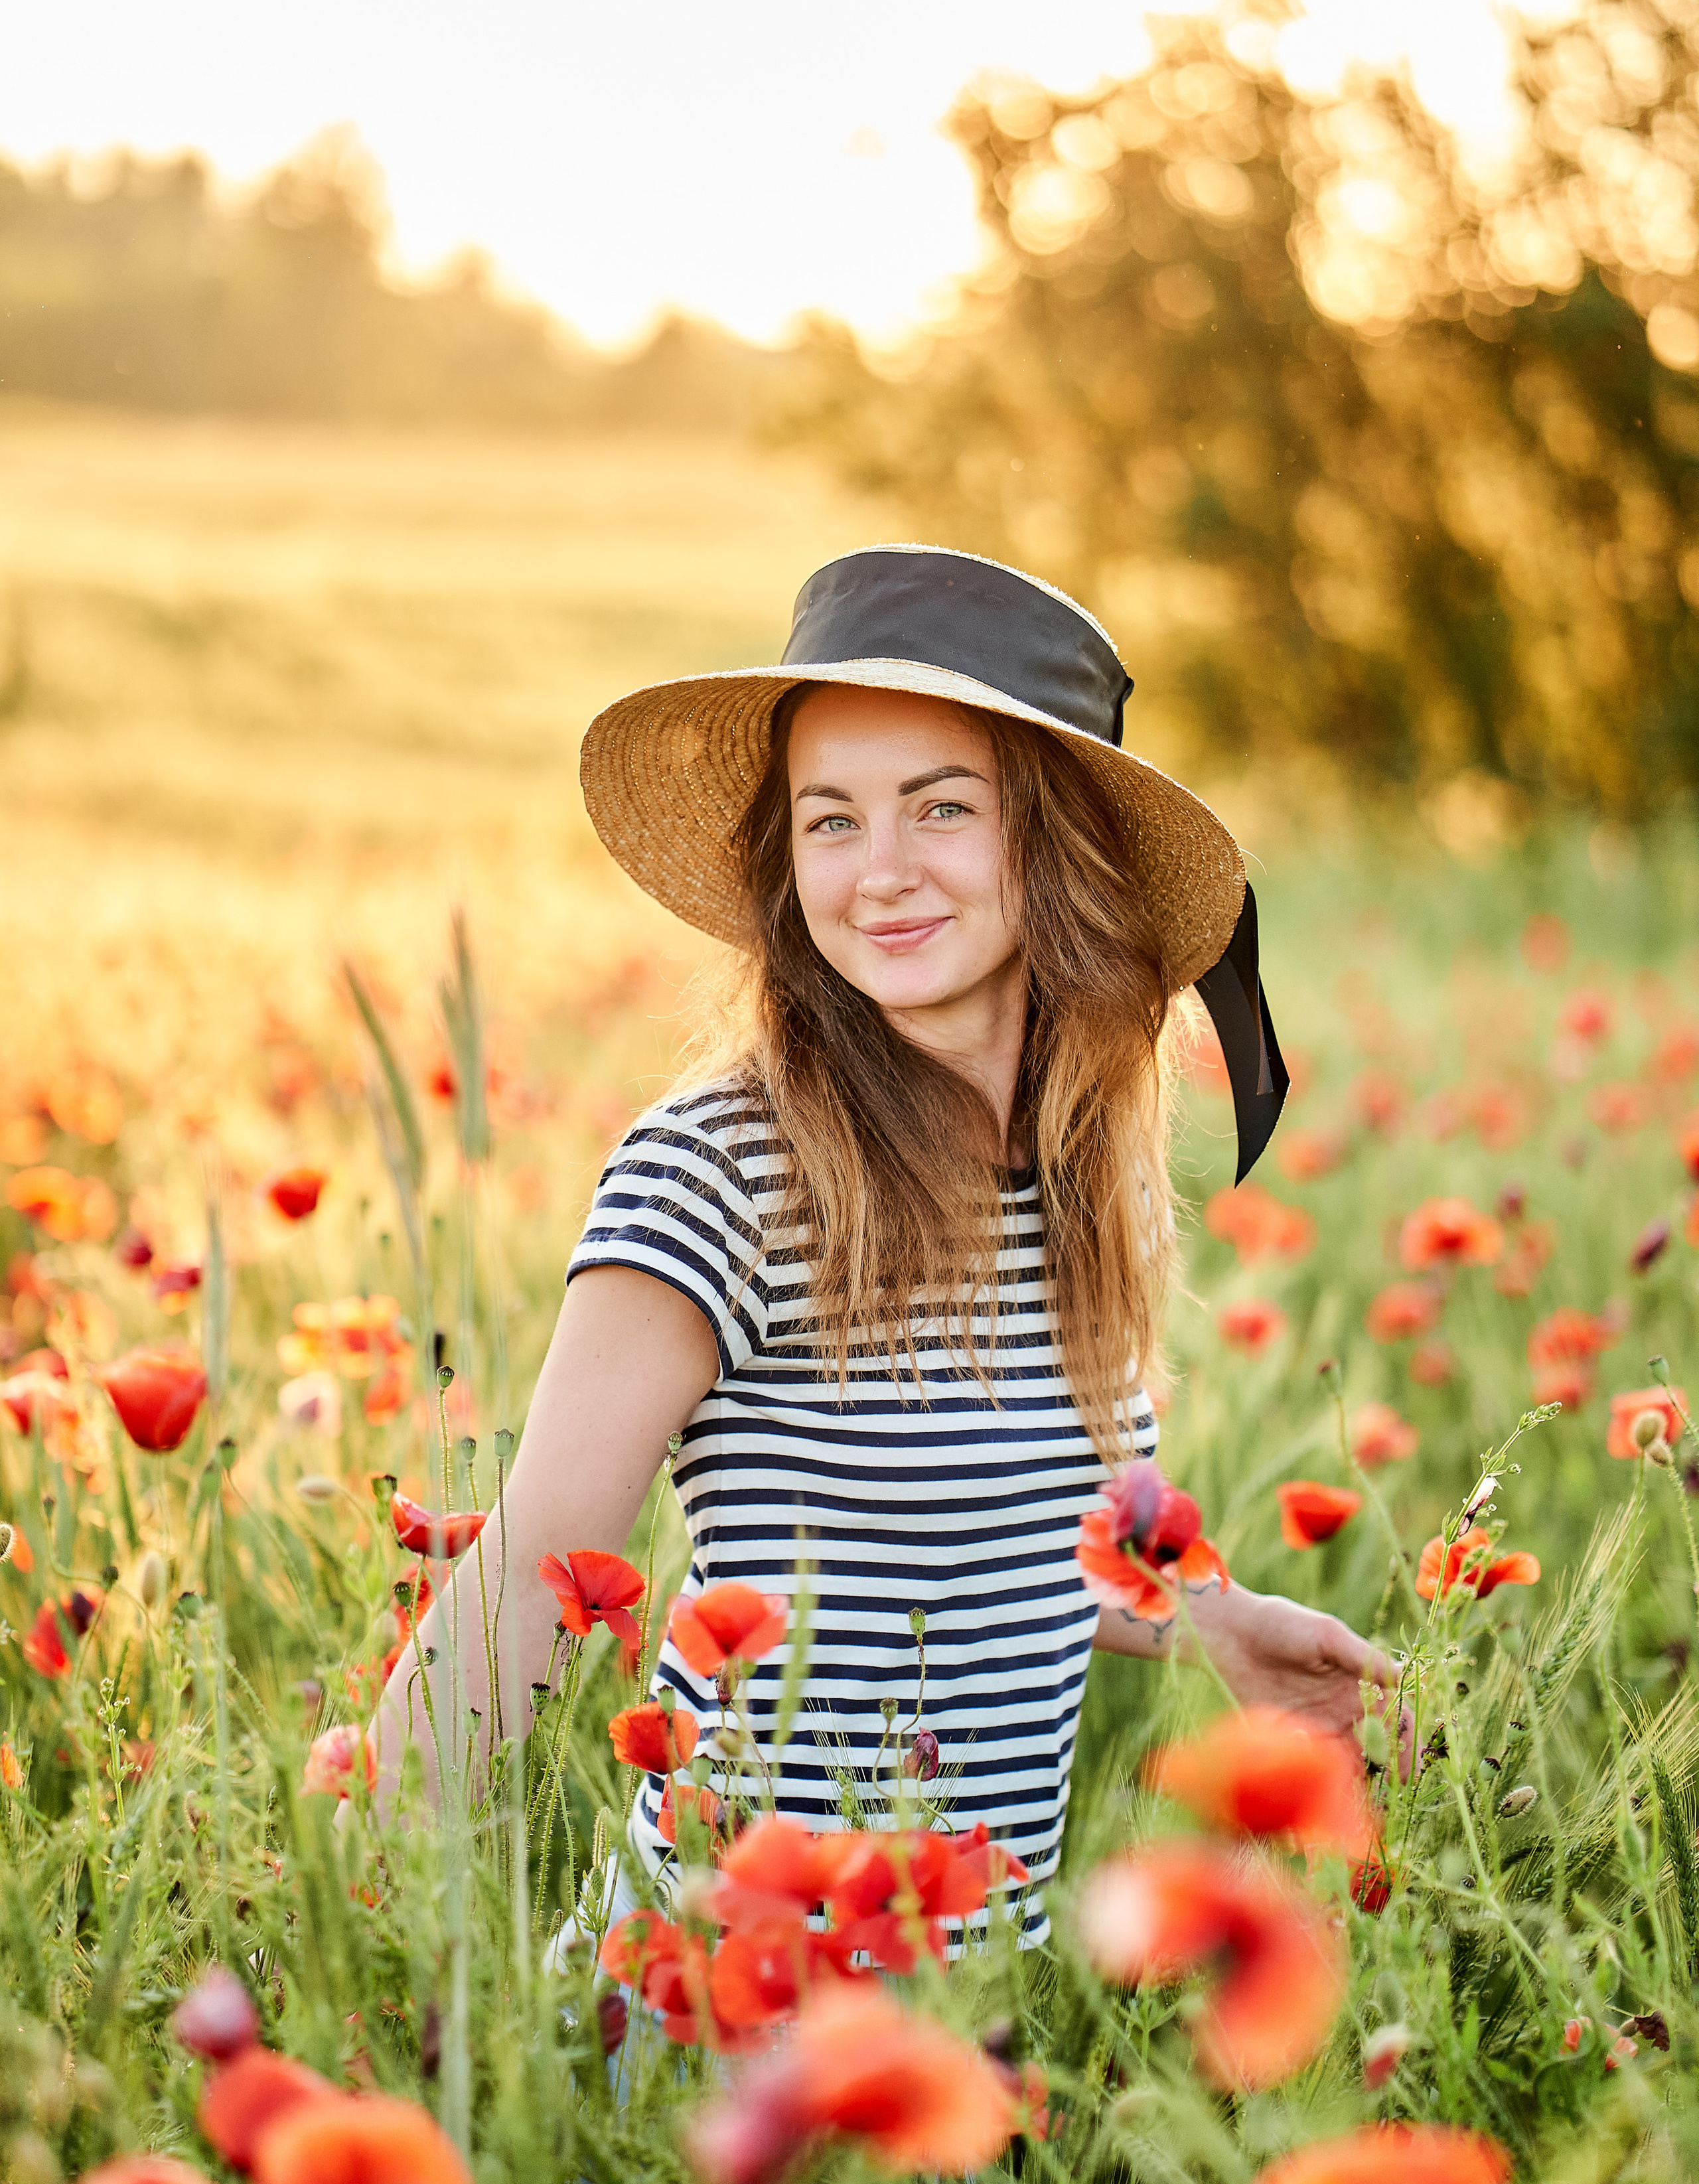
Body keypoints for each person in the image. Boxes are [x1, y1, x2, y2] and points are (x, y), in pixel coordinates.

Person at [373, 544, 1394, 1943]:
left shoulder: (1075, 1181)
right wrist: (345, 1960)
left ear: (1051, 843)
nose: (880, 873)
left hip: (968, 2057)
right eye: (831, 819)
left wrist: (1214, 1624)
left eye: (940, 808)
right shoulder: (718, 1173)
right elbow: (529, 1580)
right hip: (710, 2039)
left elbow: (1027, 1533)